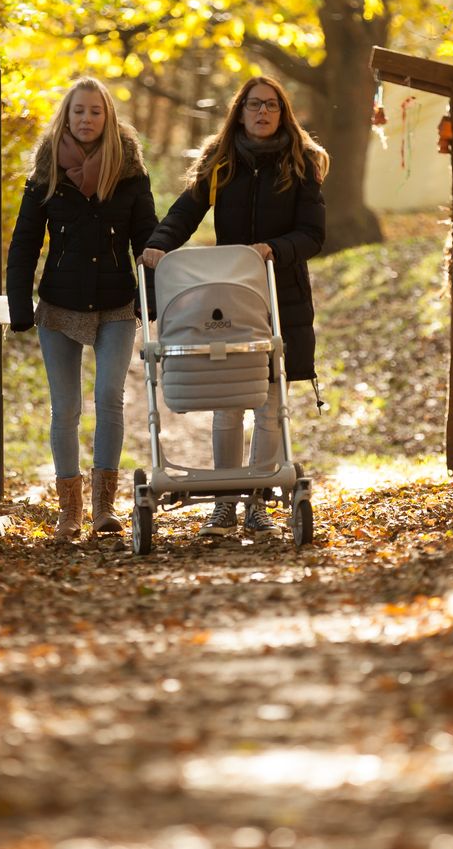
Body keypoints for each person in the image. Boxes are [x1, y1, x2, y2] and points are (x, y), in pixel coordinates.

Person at [140, 75, 328, 538]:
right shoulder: (221, 163)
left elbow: (313, 234)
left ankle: (258, 502)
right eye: (253, 105)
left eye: (271, 105)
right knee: (228, 396)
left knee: (268, 400)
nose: (262, 112)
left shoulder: (301, 163)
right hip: (227, 298)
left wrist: (272, 249)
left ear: (283, 113)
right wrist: (158, 246)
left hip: (280, 294)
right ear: (239, 112)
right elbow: (185, 211)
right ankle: (225, 503)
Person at [7, 77, 159, 539]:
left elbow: (148, 240)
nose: (86, 119)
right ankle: (68, 512)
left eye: (95, 111)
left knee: (110, 399)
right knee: (65, 408)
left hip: (116, 302)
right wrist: (19, 304)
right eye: (79, 111)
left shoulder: (129, 171)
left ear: (107, 116)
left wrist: (152, 297)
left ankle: (103, 509)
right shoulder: (46, 172)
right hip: (59, 305)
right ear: (66, 116)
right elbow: (25, 243)